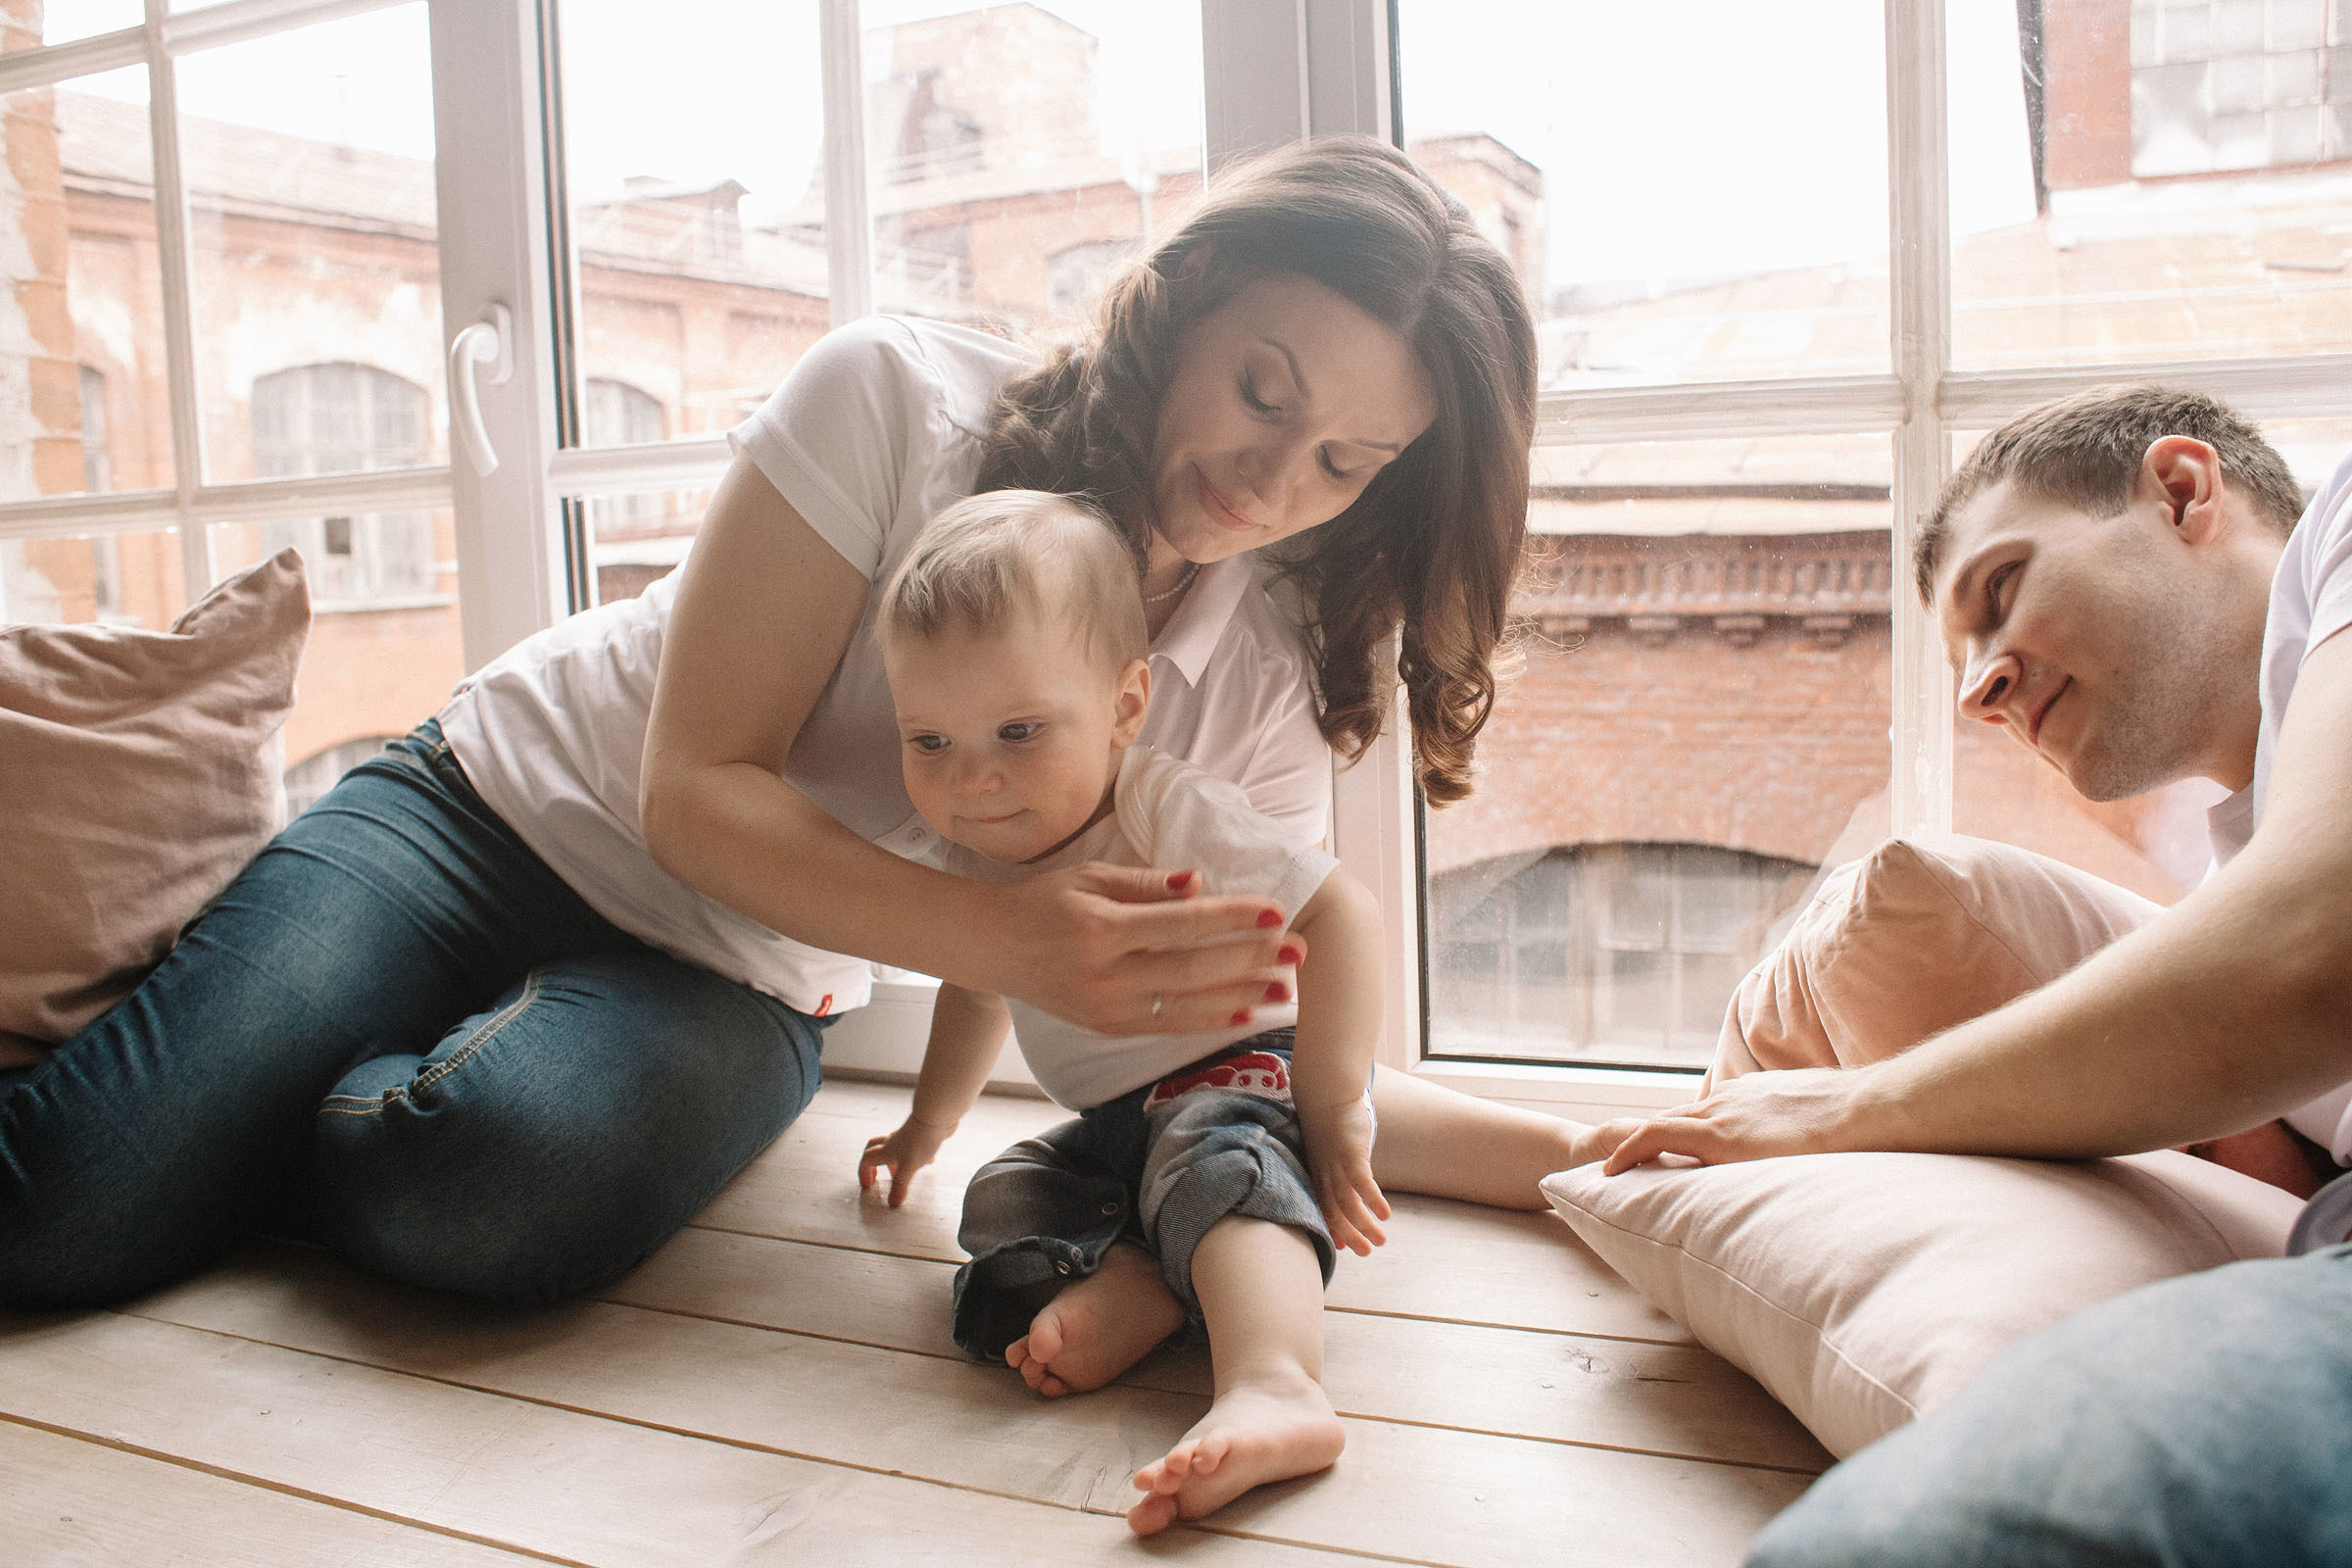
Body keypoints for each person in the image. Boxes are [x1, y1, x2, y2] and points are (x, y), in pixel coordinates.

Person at [0, 134, 1580, 1312]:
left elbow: (1293, 1051)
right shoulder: (897, 397)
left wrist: (1585, 1156)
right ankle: (220, 1094)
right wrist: (1011, 935)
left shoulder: (1259, 672)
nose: (1268, 481)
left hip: (746, 975)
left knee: (468, 1196)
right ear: (1183, 308)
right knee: (52, 1211)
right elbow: (695, 795)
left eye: (1342, 463)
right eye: (1262, 391)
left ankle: (257, 1106)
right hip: (483, 820)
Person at [1596, 384, 2352, 1567]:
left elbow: (2313, 953)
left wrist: (1843, 1107)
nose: (1976, 690)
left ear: (2182, 490)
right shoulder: (2222, 906)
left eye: (2002, 593)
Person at [855, 490, 1403, 1534]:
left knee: (1217, 1160)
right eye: (927, 741)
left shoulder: (1160, 804)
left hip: (1235, 1068)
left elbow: (1344, 915)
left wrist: (1333, 1109)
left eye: (1018, 730)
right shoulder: (974, 848)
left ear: (1123, 705)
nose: (972, 779)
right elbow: (974, 986)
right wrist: (928, 1123)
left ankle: (1279, 1381)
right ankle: (1148, 1275)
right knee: (1003, 1195)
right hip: (1115, 1124)